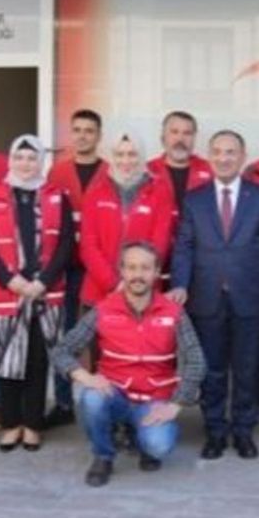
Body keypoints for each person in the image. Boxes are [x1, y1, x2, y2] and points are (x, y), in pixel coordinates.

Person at [168, 130, 259, 460]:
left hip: (252, 300)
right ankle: (215, 431)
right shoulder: (195, 199)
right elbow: (184, 247)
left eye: (231, 152)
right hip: (206, 299)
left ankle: (244, 431)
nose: (224, 158)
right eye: (217, 152)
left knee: (248, 370)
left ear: (242, 157)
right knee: (212, 370)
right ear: (209, 156)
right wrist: (180, 285)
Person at [52, 242, 205, 486]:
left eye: (145, 268)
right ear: (122, 271)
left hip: (154, 398)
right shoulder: (104, 309)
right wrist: (86, 377)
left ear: (157, 273)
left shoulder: (174, 312)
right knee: (91, 398)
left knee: (158, 446)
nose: (138, 275)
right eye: (131, 268)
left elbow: (196, 360)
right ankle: (103, 456)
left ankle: (140, 438)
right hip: (116, 395)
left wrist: (175, 405)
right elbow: (62, 350)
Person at [0, 135, 73, 452]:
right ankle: (11, 424)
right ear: (11, 161)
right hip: (7, 290)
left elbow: (66, 244)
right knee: (7, 360)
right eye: (19, 157)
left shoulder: (57, 196)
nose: (25, 164)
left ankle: (32, 425)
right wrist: (11, 280)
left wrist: (43, 281)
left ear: (41, 162)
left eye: (32, 158)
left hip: (44, 292)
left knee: (37, 360)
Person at [44, 109, 109, 429]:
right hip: (66, 267)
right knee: (66, 335)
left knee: (104, 336)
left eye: (89, 130)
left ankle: (105, 400)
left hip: (101, 267)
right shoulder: (57, 172)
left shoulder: (110, 171)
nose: (83, 136)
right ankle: (63, 403)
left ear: (99, 135)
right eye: (78, 130)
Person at [79, 130, 176, 307]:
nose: (126, 161)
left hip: (143, 294)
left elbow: (160, 243)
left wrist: (134, 282)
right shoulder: (96, 192)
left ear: (142, 156)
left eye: (132, 154)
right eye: (120, 154)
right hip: (99, 294)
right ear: (112, 156)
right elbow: (88, 245)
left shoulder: (160, 192)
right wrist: (114, 283)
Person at [148, 110, 212, 207]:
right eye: (174, 132)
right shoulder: (147, 172)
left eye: (187, 133)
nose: (180, 139)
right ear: (163, 137)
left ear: (194, 138)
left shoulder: (211, 170)